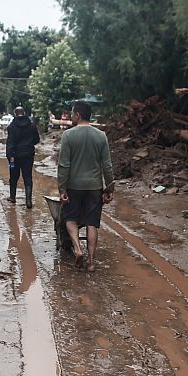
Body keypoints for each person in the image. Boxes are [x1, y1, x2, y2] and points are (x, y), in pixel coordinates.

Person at [57, 100, 114, 272]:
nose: (72, 115)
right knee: (92, 223)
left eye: (73, 113)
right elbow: (107, 165)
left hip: (74, 186)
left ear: (78, 115)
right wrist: (109, 188)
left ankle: (78, 249)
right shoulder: (101, 136)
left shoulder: (68, 135)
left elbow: (64, 165)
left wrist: (62, 189)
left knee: (70, 219)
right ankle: (91, 262)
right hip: (94, 187)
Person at [5, 106, 40, 208]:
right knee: (28, 177)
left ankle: (12, 197)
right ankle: (28, 201)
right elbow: (36, 140)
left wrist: (10, 157)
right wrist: (29, 144)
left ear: (15, 114)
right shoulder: (32, 125)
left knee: (13, 177)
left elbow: (10, 143)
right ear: (24, 113)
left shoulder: (11, 127)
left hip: (14, 157)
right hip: (28, 155)